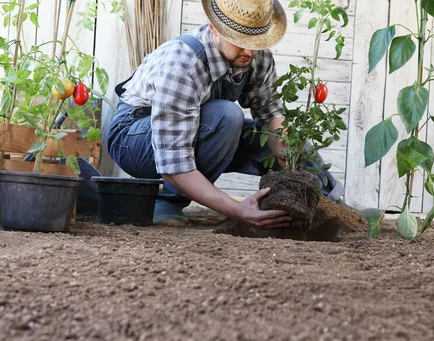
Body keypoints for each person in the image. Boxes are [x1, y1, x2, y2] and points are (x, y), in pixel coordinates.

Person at [104, 0, 344, 228]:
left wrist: (287, 153)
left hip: (193, 129)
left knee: (286, 140)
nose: (249, 51)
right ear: (215, 29)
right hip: (133, 138)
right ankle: (168, 201)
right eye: (240, 40)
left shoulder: (256, 56)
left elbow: (270, 113)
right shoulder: (182, 64)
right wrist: (237, 210)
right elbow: (173, 160)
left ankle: (333, 206)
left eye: (256, 41)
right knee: (227, 116)